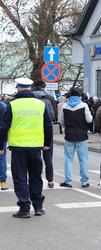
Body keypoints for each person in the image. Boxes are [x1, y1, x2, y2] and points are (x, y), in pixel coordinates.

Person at [0, 78, 53, 218]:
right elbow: (48, 126)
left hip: (18, 148)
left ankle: (24, 208)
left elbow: (3, 127)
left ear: (18, 88)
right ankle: (38, 207)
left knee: (20, 178)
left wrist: (0, 145)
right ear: (30, 88)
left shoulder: (13, 105)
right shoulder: (40, 105)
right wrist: (47, 143)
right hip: (36, 148)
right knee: (36, 177)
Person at [59, 87, 93, 188]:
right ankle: (84, 181)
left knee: (68, 159)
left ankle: (68, 181)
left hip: (69, 135)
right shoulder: (84, 105)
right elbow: (89, 120)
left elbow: (60, 121)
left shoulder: (65, 106)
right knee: (83, 160)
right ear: (79, 96)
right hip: (82, 136)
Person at [32, 79, 56, 188]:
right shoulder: (49, 98)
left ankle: (35, 179)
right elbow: (54, 115)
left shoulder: (30, 98)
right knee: (48, 158)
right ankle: (50, 181)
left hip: (33, 131)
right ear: (43, 87)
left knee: (35, 158)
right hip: (47, 131)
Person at [0, 100, 8, 190]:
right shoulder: (3, 106)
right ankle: (2, 181)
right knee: (1, 158)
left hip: (2, 136)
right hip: (2, 136)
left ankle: (2, 180)